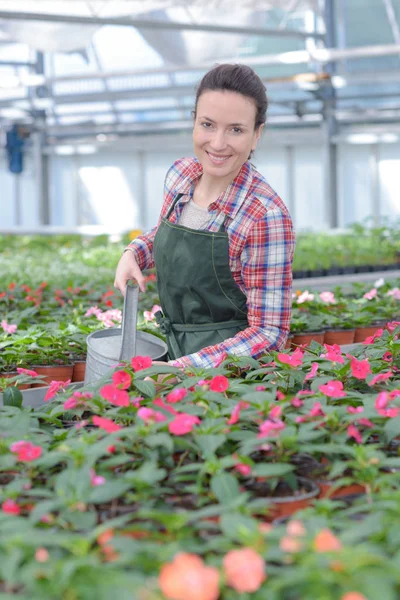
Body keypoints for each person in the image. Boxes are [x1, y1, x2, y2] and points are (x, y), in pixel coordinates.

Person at [114, 63, 295, 370]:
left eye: (236, 129)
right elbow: (166, 232)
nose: (218, 143)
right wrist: (135, 252)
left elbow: (269, 332)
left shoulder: (265, 216)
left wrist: (183, 370)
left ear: (256, 135)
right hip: (172, 353)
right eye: (208, 125)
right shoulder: (180, 175)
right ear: (194, 122)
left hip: (231, 378)